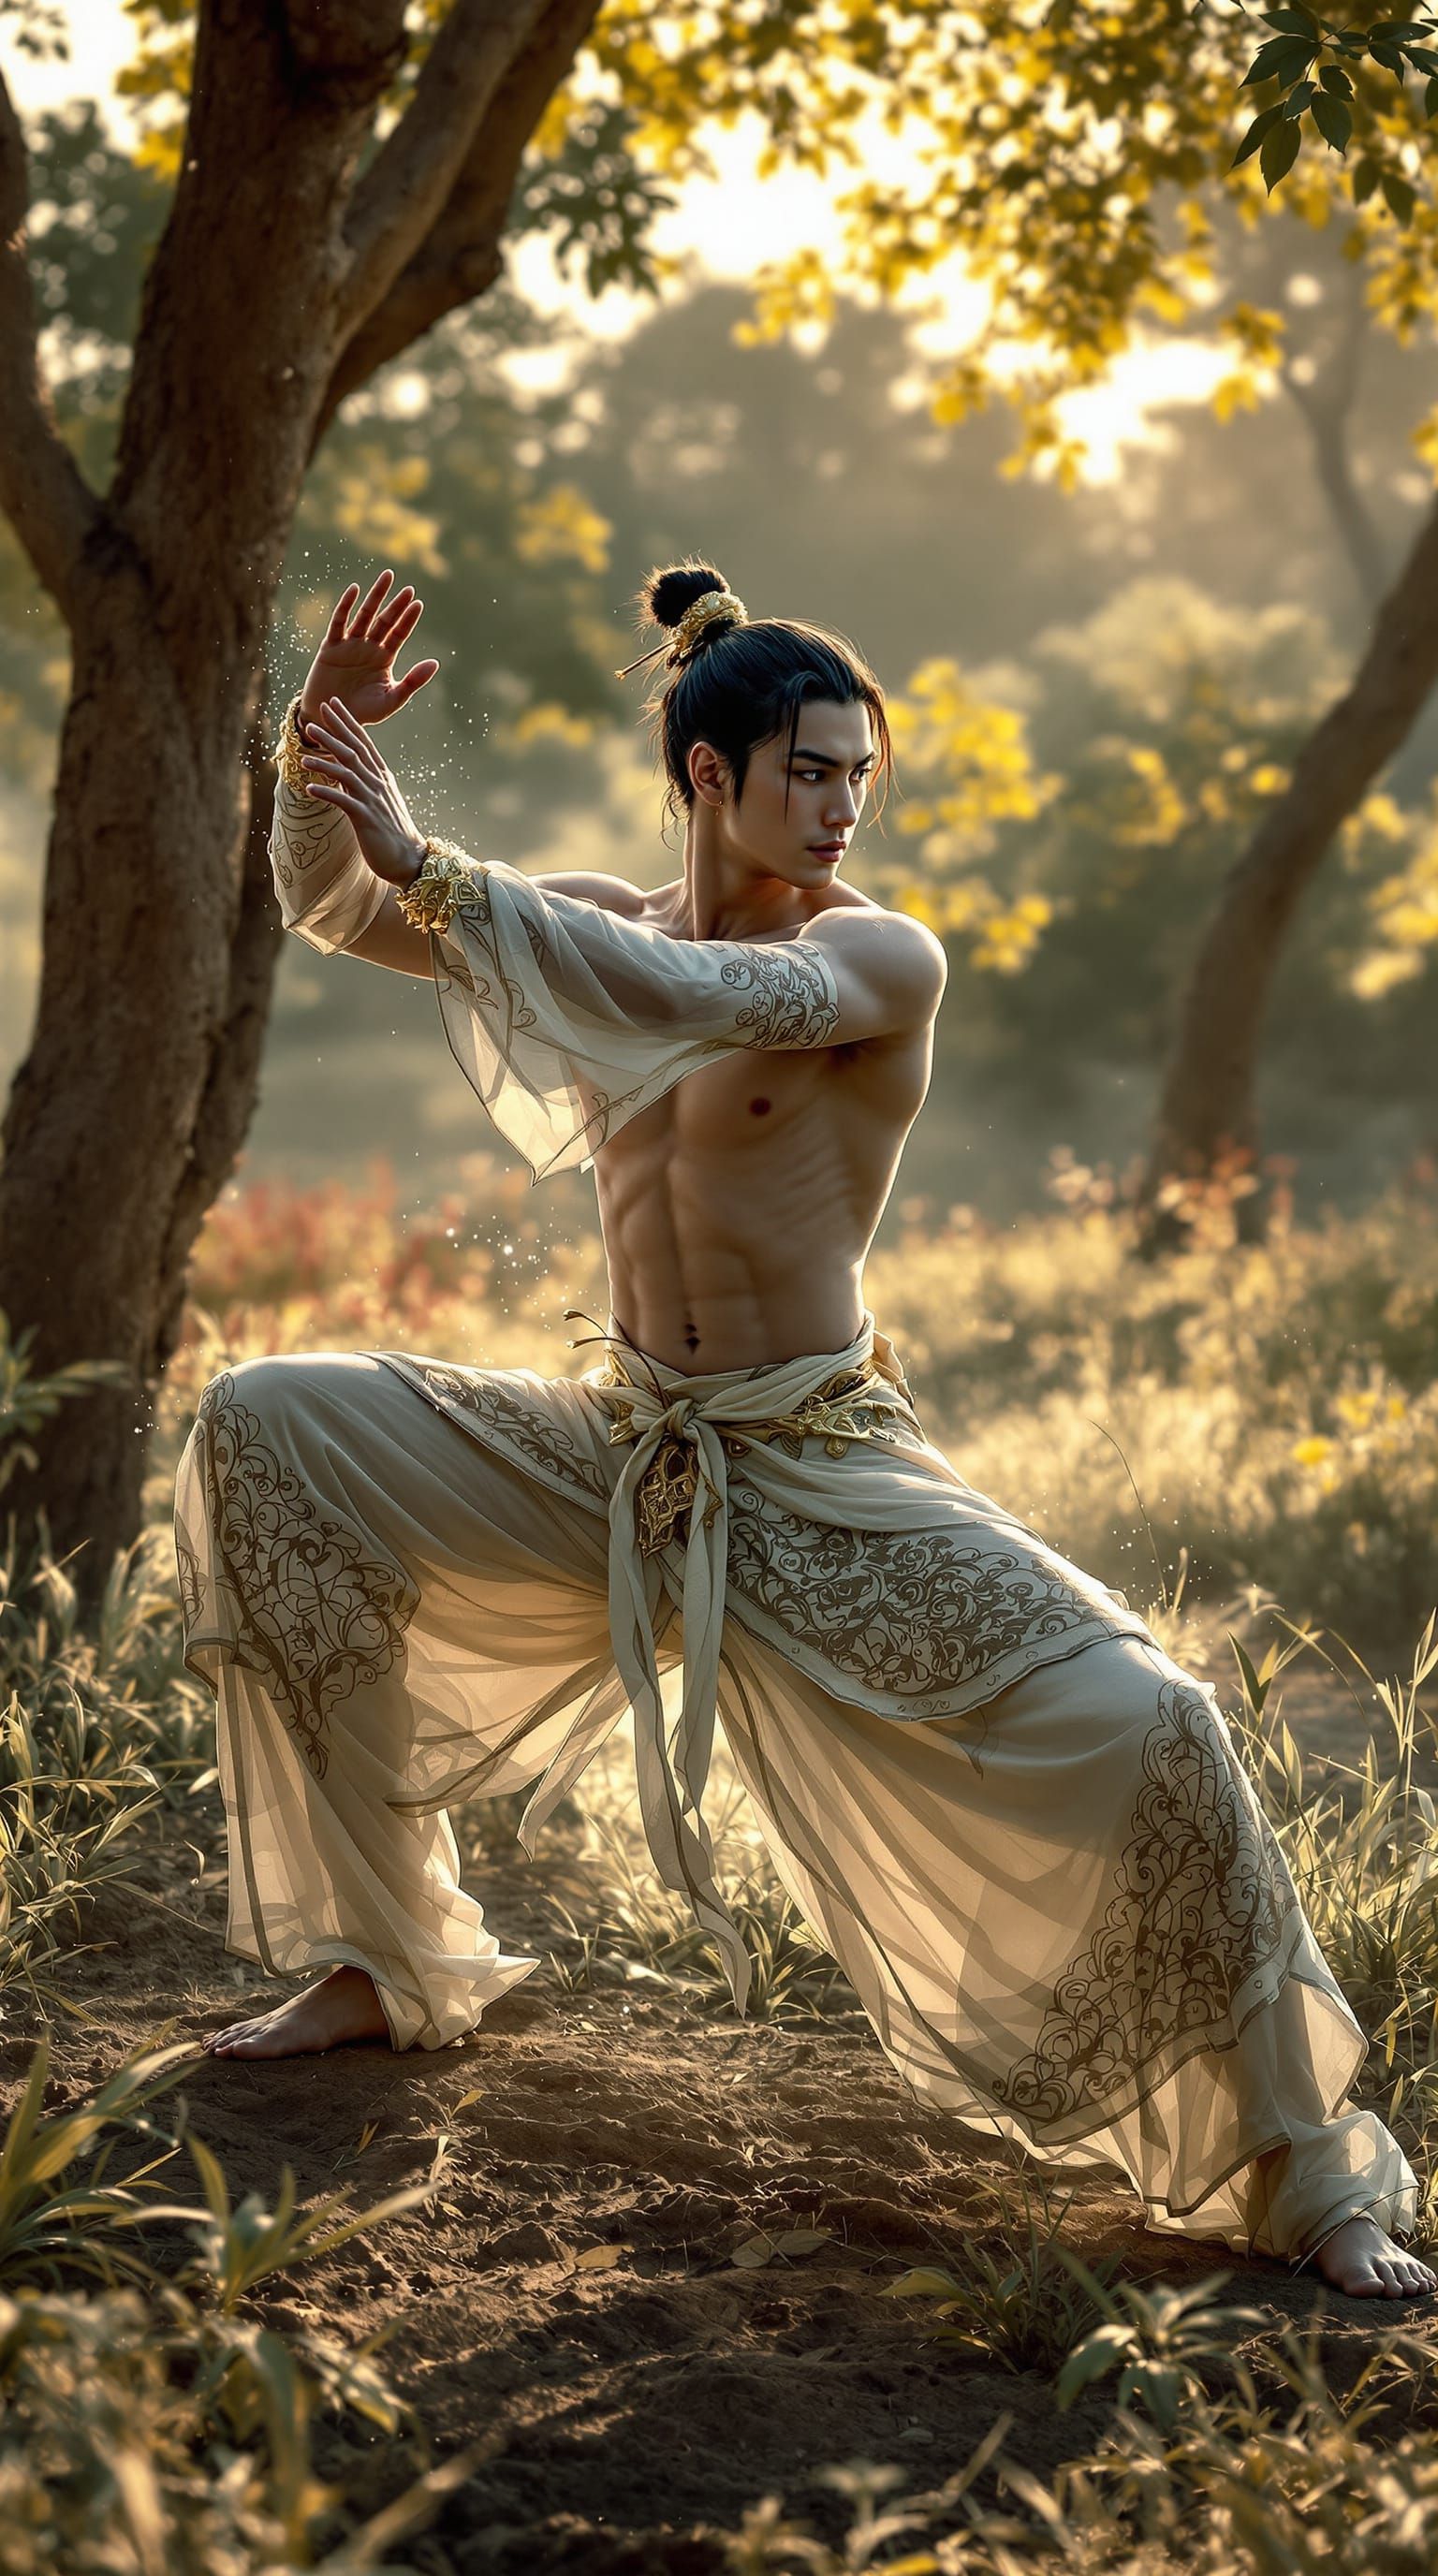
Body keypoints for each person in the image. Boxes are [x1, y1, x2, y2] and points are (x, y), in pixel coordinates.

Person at [176, 562, 1433, 2302]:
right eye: (811, 772)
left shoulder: (872, 955)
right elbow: (333, 908)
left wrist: (438, 866)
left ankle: (1307, 2173)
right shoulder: (591, 919)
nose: (845, 806)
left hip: (819, 1470)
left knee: (1160, 1720)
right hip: (621, 1446)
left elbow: (696, 1000)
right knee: (268, 1423)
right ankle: (387, 1964)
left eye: (860, 774)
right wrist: (322, 751)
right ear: (710, 776)